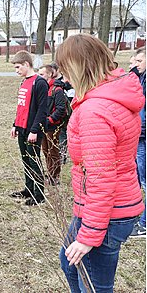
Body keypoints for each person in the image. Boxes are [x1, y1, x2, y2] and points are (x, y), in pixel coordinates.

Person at [55, 34, 145, 292]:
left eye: (65, 69)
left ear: (79, 67)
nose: (63, 77)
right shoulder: (113, 94)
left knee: (94, 286)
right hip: (103, 206)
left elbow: (101, 178)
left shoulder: (96, 110)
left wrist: (89, 235)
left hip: (107, 212)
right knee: (69, 263)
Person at [9, 50, 48, 206]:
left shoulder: (39, 83)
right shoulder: (24, 81)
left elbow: (42, 110)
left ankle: (39, 195)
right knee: (25, 160)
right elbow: (21, 107)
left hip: (33, 130)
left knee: (34, 160)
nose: (16, 71)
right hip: (22, 128)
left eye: (18, 67)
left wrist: (34, 130)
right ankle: (28, 189)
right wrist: (15, 125)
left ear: (27, 64)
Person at [38, 65, 68, 185]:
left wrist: (50, 120)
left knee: (53, 151)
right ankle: (50, 173)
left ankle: (54, 176)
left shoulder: (57, 90)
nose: (39, 76)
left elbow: (61, 109)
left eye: (42, 74)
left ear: (50, 75)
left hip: (53, 126)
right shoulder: (43, 88)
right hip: (43, 126)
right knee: (46, 151)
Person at [130, 46, 146, 238]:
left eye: (139, 62)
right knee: (138, 178)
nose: (135, 65)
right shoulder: (140, 78)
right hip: (139, 135)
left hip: (144, 135)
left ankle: (144, 224)